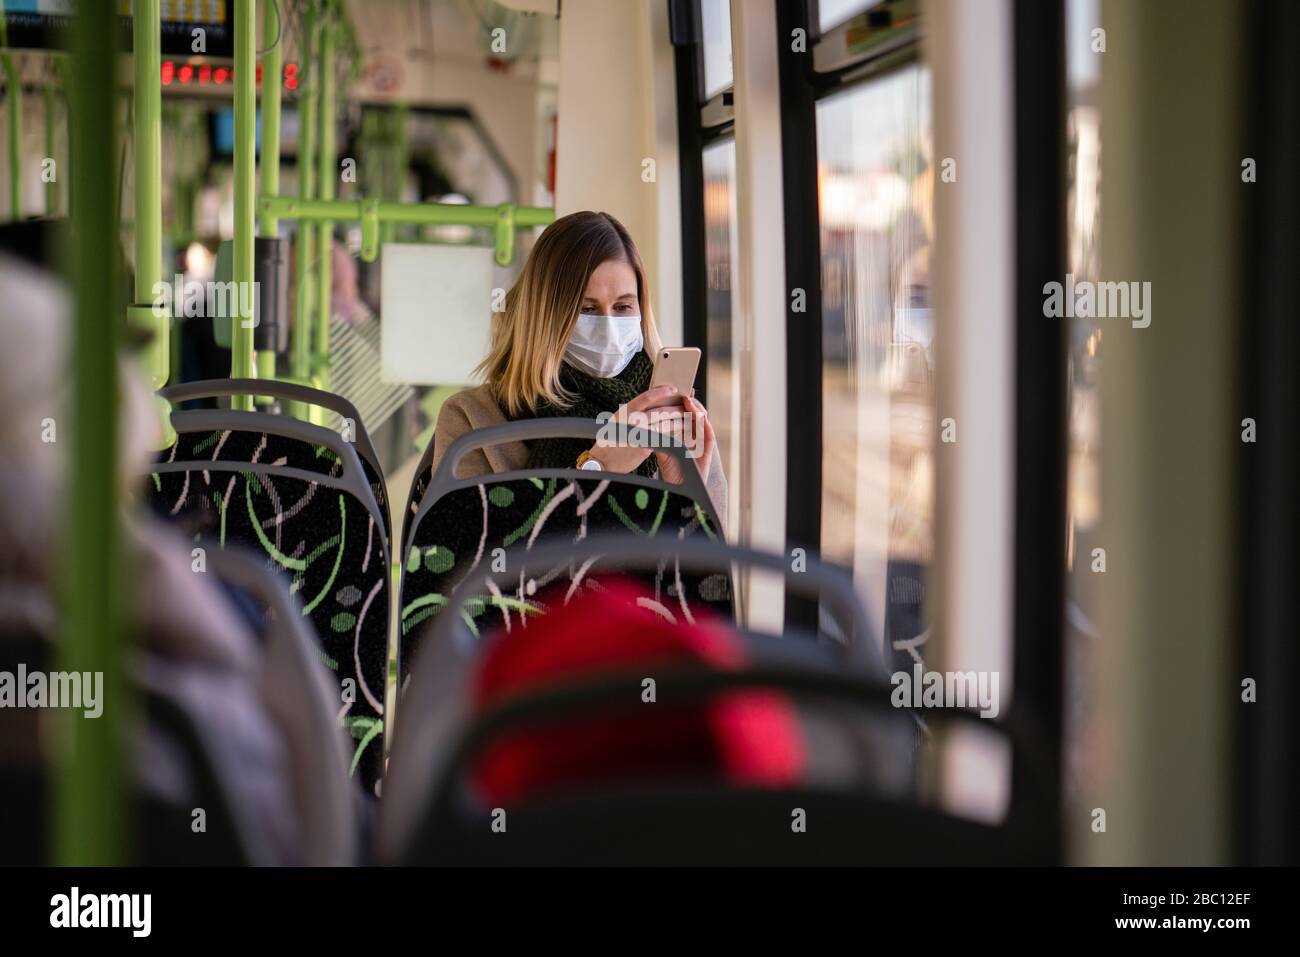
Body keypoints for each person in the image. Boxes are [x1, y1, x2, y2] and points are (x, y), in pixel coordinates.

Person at [429, 210, 727, 525]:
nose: (609, 327)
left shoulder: (671, 419)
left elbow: (704, 568)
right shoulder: (473, 418)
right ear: (544, 316)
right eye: (586, 308)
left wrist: (682, 495)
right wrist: (596, 467)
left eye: (623, 306)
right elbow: (467, 559)